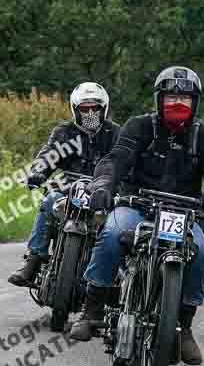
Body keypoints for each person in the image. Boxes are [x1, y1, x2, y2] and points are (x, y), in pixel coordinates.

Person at [70, 66, 204, 366]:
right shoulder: (139, 127)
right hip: (137, 206)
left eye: (185, 98)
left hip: (183, 214)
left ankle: (184, 327)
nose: (178, 104)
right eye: (172, 97)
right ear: (159, 99)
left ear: (195, 102)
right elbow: (116, 160)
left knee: (201, 253)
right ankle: (92, 306)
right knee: (111, 234)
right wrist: (103, 186)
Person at [8, 83, 120, 287]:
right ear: (75, 109)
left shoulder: (115, 134)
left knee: (117, 225)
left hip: (102, 195)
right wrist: (38, 173)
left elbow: (124, 163)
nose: (90, 113)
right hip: (68, 191)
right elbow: (48, 156)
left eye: (95, 108)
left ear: (103, 109)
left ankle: (114, 279)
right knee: (49, 200)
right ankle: (34, 260)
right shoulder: (64, 132)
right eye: (85, 108)